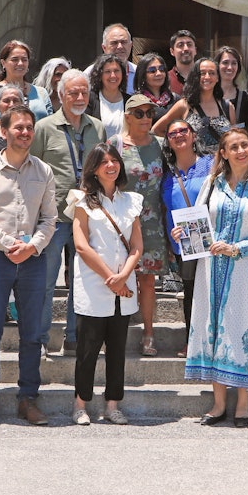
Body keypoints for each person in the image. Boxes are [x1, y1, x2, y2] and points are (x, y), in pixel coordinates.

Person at [0, 105, 58, 426]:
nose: (24, 132)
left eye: (29, 127)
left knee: (32, 334)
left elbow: (50, 218)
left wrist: (31, 246)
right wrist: (9, 245)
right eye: (18, 127)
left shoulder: (43, 171)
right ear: (3, 131)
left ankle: (28, 399)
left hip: (32, 260)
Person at [182, 129, 248, 427]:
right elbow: (198, 222)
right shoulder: (212, 183)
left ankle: (243, 403)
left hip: (244, 270)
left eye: (245, 145)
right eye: (233, 147)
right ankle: (219, 402)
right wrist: (184, 235)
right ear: (222, 153)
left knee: (241, 328)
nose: (240, 151)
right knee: (212, 328)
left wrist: (237, 247)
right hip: (210, 270)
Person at [30, 69, 105, 357]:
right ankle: (39, 340)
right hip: (53, 218)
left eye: (83, 92)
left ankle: (74, 337)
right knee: (46, 282)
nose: (79, 97)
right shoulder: (45, 127)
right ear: (60, 95)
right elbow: (33, 169)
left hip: (86, 217)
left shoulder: (97, 127)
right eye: (72, 92)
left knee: (82, 282)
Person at [68, 143, 143, 425]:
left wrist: (122, 276)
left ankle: (112, 405)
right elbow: (81, 245)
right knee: (87, 350)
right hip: (93, 285)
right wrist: (110, 279)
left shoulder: (131, 200)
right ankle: (80, 405)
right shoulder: (82, 201)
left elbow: (136, 245)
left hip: (122, 287)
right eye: (104, 162)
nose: (111, 166)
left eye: (115, 160)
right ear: (94, 169)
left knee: (117, 350)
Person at [109, 94, 168, 356]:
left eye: (149, 113)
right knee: (117, 277)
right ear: (128, 116)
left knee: (147, 280)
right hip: (122, 223)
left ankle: (148, 334)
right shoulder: (115, 145)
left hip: (153, 223)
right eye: (140, 113)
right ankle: (112, 333)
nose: (146, 118)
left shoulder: (162, 145)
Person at [160, 118, 214, 356]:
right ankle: (192, 341)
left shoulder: (212, 165)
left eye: (184, 130)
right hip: (185, 242)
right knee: (192, 293)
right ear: (168, 142)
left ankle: (216, 340)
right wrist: (170, 236)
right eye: (173, 133)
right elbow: (166, 209)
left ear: (193, 135)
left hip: (214, 238)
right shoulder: (166, 175)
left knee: (215, 289)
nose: (179, 135)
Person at [154, 57, 237, 149]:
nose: (207, 77)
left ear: (217, 78)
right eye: (202, 73)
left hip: (221, 162)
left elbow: (233, 140)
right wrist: (176, 147)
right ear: (196, 77)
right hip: (192, 162)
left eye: (212, 73)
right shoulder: (184, 105)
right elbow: (157, 130)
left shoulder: (227, 107)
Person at [0, 40, 52, 126]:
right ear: (3, 63)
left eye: (24, 60)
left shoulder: (41, 92)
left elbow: (49, 126)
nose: (20, 63)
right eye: (15, 59)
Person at [86, 54, 130, 139]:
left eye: (116, 71)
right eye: (107, 72)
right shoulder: (90, 99)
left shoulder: (129, 101)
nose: (113, 75)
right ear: (100, 75)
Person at [215, 45, 248, 138]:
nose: (230, 67)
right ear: (217, 65)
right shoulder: (208, 95)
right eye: (225, 63)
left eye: (234, 63)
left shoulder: (244, 98)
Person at [87, 23, 137, 93]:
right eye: (114, 43)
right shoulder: (89, 74)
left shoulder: (138, 73)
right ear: (104, 48)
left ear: (131, 45)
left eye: (123, 42)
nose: (120, 47)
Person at [168, 30, 198, 96]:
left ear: (195, 50)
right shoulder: (165, 79)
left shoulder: (205, 77)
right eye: (180, 45)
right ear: (172, 51)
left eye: (189, 44)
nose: (186, 48)